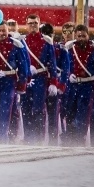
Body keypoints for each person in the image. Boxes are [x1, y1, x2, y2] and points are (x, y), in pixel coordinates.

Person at [63, 24, 94, 147]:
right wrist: (68, 76)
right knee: (70, 114)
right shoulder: (69, 48)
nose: (81, 39)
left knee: (82, 115)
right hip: (73, 87)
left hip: (88, 86)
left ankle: (80, 141)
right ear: (75, 36)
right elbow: (65, 66)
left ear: (88, 35)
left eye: (83, 36)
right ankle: (70, 141)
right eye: (79, 36)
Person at [0, 21, 28, 143]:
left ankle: (2, 137)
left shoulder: (16, 44)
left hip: (9, 82)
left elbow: (23, 66)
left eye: (3, 30)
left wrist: (21, 86)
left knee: (5, 110)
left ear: (8, 30)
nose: (1, 33)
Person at [21, 14, 59, 144]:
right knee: (25, 109)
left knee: (38, 109)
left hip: (40, 79)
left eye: (35, 23)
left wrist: (53, 82)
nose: (32, 25)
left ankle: (38, 139)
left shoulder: (46, 41)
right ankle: (28, 138)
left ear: (39, 24)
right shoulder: (22, 41)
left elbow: (52, 63)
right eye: (30, 23)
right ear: (26, 25)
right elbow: (20, 61)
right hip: (26, 79)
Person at [44, 22, 69, 146]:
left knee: (56, 114)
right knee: (39, 113)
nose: (48, 37)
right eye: (45, 34)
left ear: (53, 35)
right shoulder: (41, 47)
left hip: (55, 84)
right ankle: (40, 138)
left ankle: (54, 140)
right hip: (43, 83)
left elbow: (66, 68)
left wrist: (61, 85)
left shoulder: (60, 49)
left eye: (49, 34)